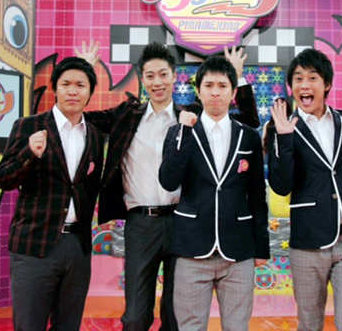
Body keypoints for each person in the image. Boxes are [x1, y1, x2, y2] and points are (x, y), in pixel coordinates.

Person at [80, 42, 259, 331]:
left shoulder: (192, 115)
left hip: (183, 221)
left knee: (175, 315)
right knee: (135, 316)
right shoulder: (127, 115)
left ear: (174, 76)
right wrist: (84, 71)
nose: (157, 82)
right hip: (141, 223)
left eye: (163, 74)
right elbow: (81, 117)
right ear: (142, 78)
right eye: (150, 76)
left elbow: (248, 121)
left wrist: (236, 76)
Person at [267, 48, 342, 331]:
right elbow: (281, 186)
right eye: (298, 79)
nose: (304, 85)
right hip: (309, 240)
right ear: (291, 87)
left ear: (327, 84)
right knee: (310, 324)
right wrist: (284, 138)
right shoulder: (280, 127)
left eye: (312, 78)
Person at [158, 56, 269, 331]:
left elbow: (257, 196)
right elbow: (168, 181)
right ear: (199, 91)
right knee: (190, 326)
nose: (215, 92)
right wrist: (183, 133)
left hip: (238, 250)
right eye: (208, 85)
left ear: (233, 92)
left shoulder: (248, 136)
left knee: (237, 326)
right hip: (191, 249)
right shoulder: (180, 132)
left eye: (222, 86)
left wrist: (261, 247)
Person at [0, 57, 105, 331]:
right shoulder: (28, 126)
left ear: (90, 92)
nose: (73, 91)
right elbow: (4, 178)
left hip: (77, 247)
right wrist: (29, 153)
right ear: (55, 88)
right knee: (29, 325)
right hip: (35, 244)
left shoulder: (94, 135)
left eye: (80, 85)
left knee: (68, 325)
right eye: (66, 84)